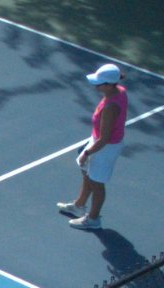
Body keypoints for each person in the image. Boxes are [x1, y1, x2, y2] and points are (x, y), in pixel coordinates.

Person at [59, 63, 129, 230]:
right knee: (86, 172)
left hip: (105, 147)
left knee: (97, 183)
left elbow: (104, 139)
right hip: (98, 140)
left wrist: (87, 152)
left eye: (100, 82)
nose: (96, 85)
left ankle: (93, 219)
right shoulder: (119, 91)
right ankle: (79, 205)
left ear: (109, 84)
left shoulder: (110, 107)